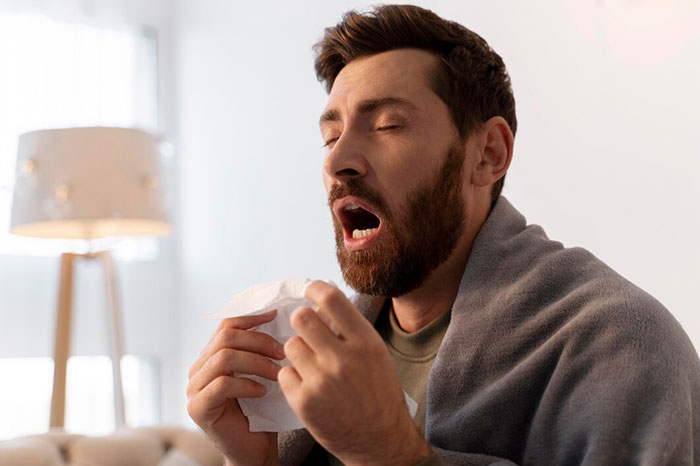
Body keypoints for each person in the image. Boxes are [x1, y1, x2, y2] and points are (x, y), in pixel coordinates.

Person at [186, 4, 700, 466]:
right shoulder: (328, 351)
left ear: (488, 155)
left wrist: (389, 455)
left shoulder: (621, 346)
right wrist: (255, 463)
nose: (338, 160)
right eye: (330, 135)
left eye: (387, 125)